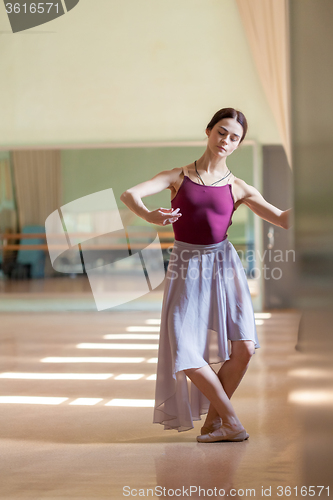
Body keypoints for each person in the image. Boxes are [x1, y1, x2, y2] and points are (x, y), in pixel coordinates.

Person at [120, 107, 291, 443]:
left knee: (243, 349)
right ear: (209, 131)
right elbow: (130, 194)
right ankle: (233, 422)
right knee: (184, 349)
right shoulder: (177, 176)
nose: (226, 140)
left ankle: (218, 422)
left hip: (224, 266)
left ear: (238, 144)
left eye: (234, 137)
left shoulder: (239, 187)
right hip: (186, 265)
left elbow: (283, 219)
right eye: (221, 132)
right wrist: (149, 215)